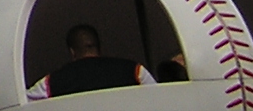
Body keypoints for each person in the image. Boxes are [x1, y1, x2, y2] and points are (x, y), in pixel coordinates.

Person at [26, 23, 156, 98]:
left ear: (72, 51)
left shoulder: (52, 81)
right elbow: (158, 96)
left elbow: (24, 101)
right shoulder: (134, 70)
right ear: (99, 46)